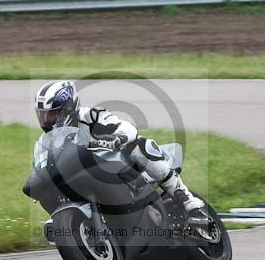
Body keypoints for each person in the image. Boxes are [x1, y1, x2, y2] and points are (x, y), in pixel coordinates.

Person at [34, 80, 208, 221]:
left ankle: (187, 200)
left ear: (68, 108)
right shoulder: (43, 142)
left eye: (52, 114)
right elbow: (40, 166)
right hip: (83, 182)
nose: (47, 120)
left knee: (139, 145)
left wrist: (118, 138)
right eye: (43, 115)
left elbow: (127, 128)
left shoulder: (91, 116)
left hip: (116, 169)